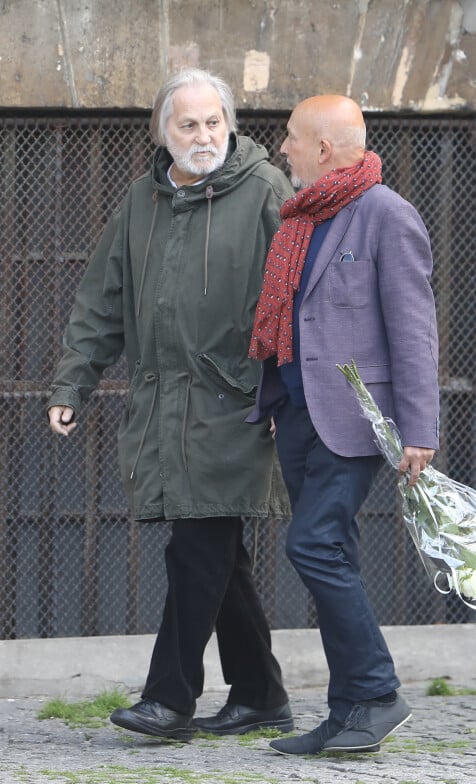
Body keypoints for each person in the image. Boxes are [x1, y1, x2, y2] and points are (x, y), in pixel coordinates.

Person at [47, 67, 295, 742]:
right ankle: (261, 694)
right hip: (164, 408)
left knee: (196, 547)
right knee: (216, 553)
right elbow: (101, 300)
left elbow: (302, 301)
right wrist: (74, 382)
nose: (203, 135)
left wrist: (289, 390)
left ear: (231, 125)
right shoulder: (141, 201)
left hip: (240, 406)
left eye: (214, 121)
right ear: (162, 131)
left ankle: (170, 698)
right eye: (187, 123)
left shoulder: (268, 190)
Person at [248, 95, 440, 755]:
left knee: (314, 545)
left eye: (294, 139)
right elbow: (299, 317)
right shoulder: (304, 217)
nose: (283, 149)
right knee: (335, 552)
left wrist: (419, 429)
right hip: (298, 416)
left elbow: (414, 330)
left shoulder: (387, 215)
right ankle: (347, 713)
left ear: (324, 149)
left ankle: (378, 690)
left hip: (358, 420)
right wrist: (278, 401)